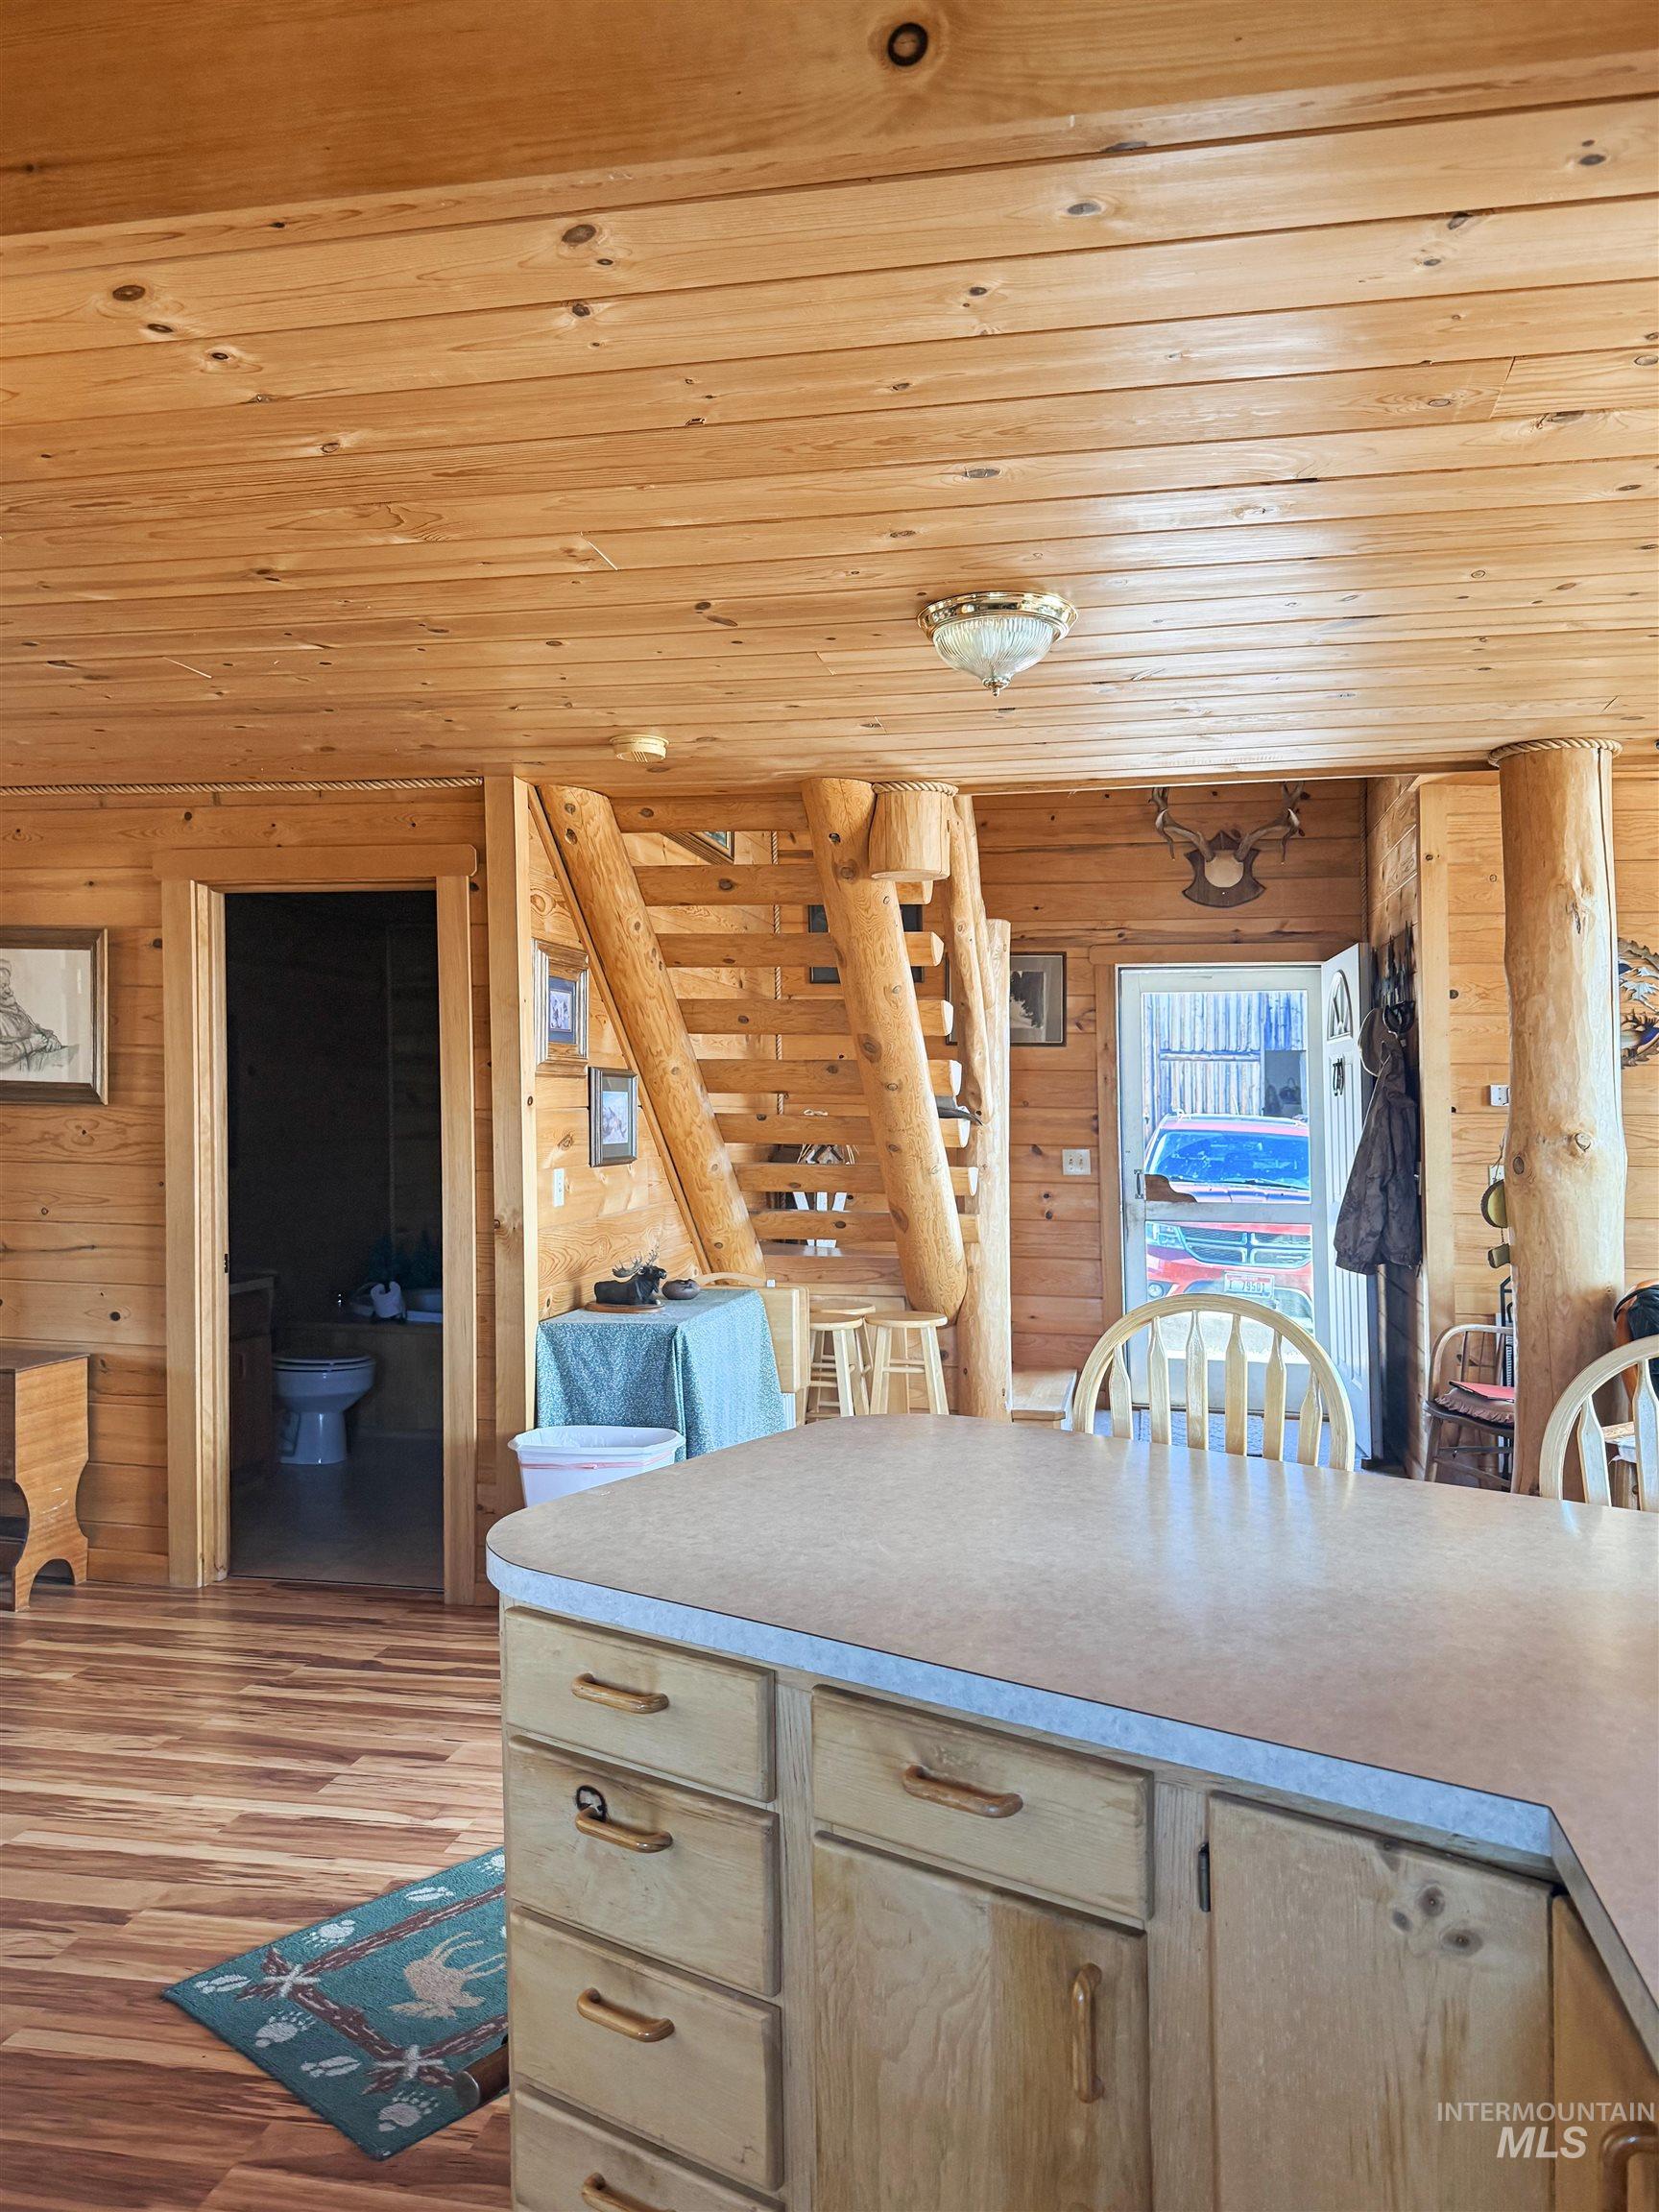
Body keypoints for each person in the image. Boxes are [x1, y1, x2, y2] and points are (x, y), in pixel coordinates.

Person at [0, 957, 65, 1072]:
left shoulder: (14, 1009)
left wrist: (49, 1039)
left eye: (7, 985)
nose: (9, 991)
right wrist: (30, 1045)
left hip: (34, 1067)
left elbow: (32, 1030)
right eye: (2, 987)